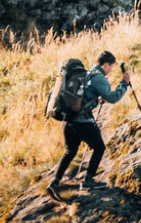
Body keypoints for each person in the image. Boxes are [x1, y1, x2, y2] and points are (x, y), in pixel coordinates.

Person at [47, 50, 131, 200]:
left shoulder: (85, 74)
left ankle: (54, 182)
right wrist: (124, 84)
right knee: (99, 147)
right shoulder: (99, 78)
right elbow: (112, 98)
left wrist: (97, 100)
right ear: (106, 65)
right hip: (82, 121)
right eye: (111, 67)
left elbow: (83, 96)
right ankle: (88, 180)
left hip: (68, 119)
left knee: (70, 151)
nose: (111, 71)